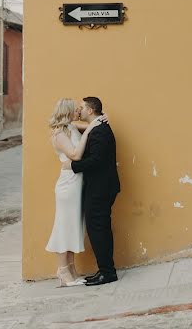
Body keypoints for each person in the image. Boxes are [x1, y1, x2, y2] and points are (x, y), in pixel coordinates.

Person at [64, 96, 121, 286]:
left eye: (81, 107)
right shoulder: (96, 128)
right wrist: (102, 117)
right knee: (99, 229)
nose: (79, 110)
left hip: (100, 189)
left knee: (98, 230)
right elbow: (76, 127)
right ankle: (104, 270)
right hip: (99, 187)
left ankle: (107, 272)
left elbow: (96, 161)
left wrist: (72, 166)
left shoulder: (99, 132)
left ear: (90, 110)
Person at [45, 98, 100, 287]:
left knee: (74, 226)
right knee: (64, 226)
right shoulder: (59, 134)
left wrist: (95, 123)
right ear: (67, 111)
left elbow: (90, 126)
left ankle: (71, 269)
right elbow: (75, 155)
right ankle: (62, 271)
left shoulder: (71, 126)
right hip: (68, 184)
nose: (78, 110)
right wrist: (90, 131)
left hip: (78, 183)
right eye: (75, 108)